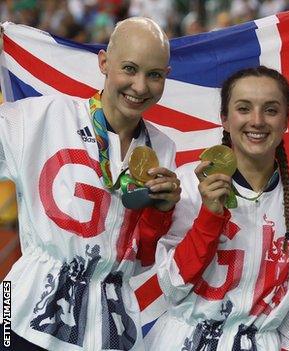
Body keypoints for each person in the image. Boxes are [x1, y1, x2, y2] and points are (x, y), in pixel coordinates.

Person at [0, 17, 181, 350]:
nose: (140, 87)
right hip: (19, 312)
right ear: (104, 63)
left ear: (165, 77)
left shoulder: (163, 148)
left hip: (111, 329)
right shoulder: (45, 116)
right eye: (129, 69)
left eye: (154, 75)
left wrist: (163, 211)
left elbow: (141, 258)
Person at [146, 66, 289, 350]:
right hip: (181, 341)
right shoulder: (189, 185)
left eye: (271, 110)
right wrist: (209, 216)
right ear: (225, 120)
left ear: (286, 121)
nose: (257, 121)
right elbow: (172, 286)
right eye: (244, 108)